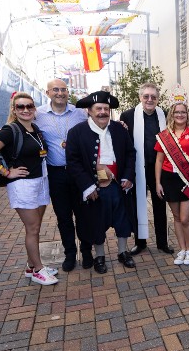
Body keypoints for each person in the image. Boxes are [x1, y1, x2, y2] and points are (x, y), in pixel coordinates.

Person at [0, 92, 58, 285]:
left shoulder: (34, 129)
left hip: (40, 182)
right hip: (23, 186)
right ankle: (39, 270)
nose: (25, 110)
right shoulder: (9, 130)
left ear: (34, 108)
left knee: (36, 227)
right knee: (32, 228)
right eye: (20, 107)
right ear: (14, 110)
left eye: (29, 106)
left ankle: (32, 266)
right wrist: (6, 172)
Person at [65, 91, 136, 274]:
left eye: (106, 108)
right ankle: (100, 256)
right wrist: (87, 186)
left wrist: (128, 176)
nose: (103, 112)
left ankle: (122, 252)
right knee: (96, 222)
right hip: (94, 186)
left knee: (122, 219)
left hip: (118, 184)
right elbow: (73, 162)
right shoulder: (76, 132)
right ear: (89, 110)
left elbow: (130, 153)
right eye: (98, 108)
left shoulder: (119, 128)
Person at [35, 79, 90, 272]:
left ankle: (87, 250)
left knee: (83, 214)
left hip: (79, 172)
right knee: (63, 216)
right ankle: (69, 253)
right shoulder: (38, 114)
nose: (60, 93)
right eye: (56, 90)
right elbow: (20, 126)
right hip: (55, 173)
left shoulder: (80, 113)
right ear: (48, 92)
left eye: (63, 90)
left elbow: (99, 127)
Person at [154, 85, 189, 266]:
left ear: (187, 114)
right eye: (177, 112)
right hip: (169, 179)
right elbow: (159, 161)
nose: (180, 115)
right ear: (172, 114)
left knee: (186, 218)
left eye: (183, 112)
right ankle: (182, 249)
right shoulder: (165, 135)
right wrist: (157, 183)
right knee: (176, 218)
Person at [119, 82, 173, 256]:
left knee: (160, 205)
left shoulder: (165, 115)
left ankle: (162, 242)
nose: (150, 100)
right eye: (146, 96)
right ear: (140, 97)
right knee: (137, 206)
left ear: (158, 99)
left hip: (159, 168)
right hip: (137, 168)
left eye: (153, 97)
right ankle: (140, 242)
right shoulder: (127, 116)